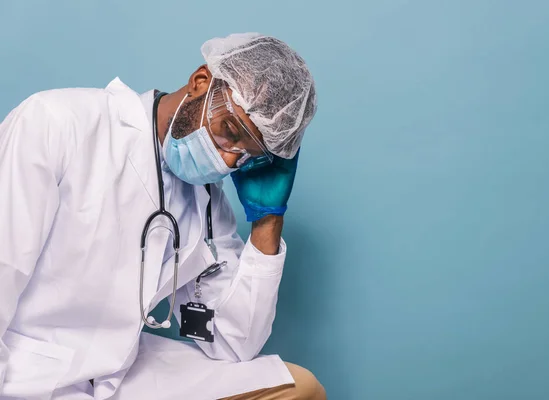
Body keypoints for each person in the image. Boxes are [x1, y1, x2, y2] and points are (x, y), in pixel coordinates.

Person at [0, 32, 324, 400]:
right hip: (25, 370)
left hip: (119, 372)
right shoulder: (57, 123)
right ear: (201, 82)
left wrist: (268, 219)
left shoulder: (206, 202)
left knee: (299, 389)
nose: (231, 160)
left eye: (249, 155)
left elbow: (233, 344)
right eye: (231, 131)